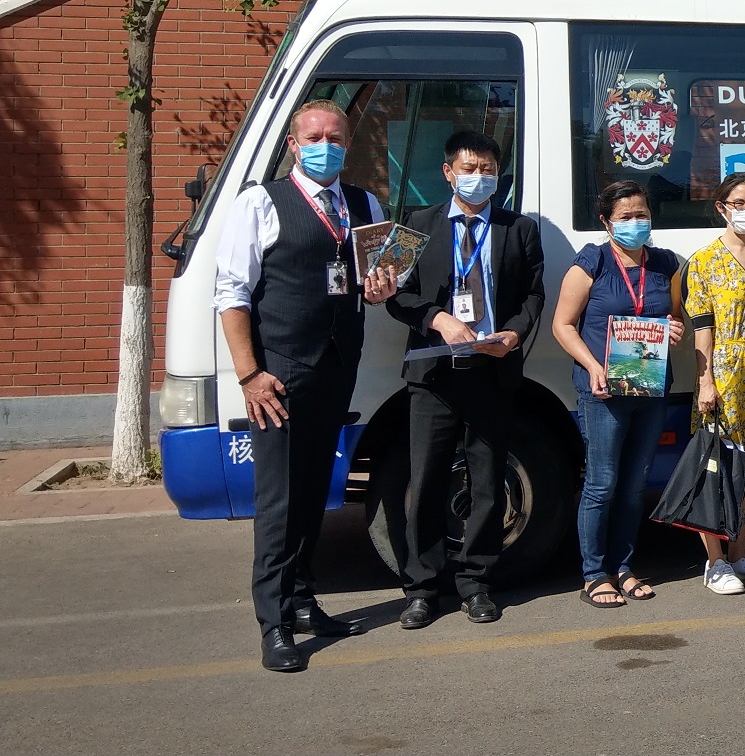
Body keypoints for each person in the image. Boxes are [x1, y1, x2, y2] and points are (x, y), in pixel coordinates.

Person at [213, 99, 397, 673]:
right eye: (314, 136)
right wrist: (249, 373)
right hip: (281, 375)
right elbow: (231, 294)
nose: (326, 145)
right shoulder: (260, 202)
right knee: (278, 500)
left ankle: (302, 598)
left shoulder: (365, 204)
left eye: (336, 137)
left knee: (317, 489)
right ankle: (273, 621)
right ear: (294, 144)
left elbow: (377, 280)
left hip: (338, 366)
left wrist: (381, 288)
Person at [384, 131, 545, 630]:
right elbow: (395, 295)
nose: (480, 177)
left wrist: (514, 336)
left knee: (487, 485)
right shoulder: (414, 225)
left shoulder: (519, 229)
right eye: (470, 168)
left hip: (492, 373)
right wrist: (437, 318)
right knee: (427, 481)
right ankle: (422, 589)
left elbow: (534, 297)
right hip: (434, 375)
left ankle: (477, 584)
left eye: (490, 168)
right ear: (449, 172)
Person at [550, 180, 685, 608]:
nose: (635, 223)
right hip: (603, 391)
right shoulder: (593, 260)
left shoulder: (666, 264)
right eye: (625, 217)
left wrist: (675, 330)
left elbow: (676, 315)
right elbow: (562, 325)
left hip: (649, 388)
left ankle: (624, 567)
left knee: (633, 486)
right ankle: (593, 574)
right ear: (606, 222)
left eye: (641, 215)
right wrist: (592, 366)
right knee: (602, 483)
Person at [681, 173, 745, 595]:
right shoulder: (704, 261)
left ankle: (740, 554)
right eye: (739, 202)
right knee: (716, 467)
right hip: (723, 370)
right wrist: (706, 381)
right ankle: (715, 560)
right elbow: (701, 327)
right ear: (721, 207)